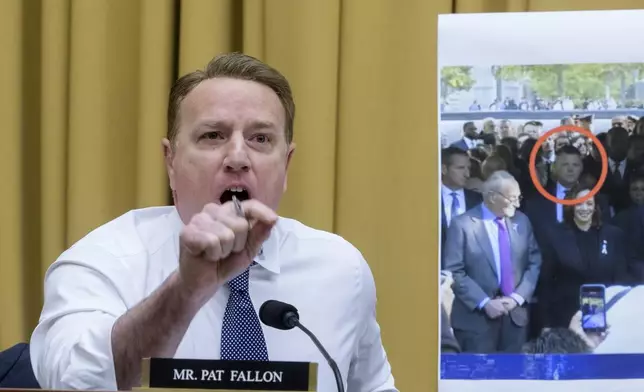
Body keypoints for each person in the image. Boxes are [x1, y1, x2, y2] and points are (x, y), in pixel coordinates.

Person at [29, 53, 397, 392]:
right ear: (170, 162)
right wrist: (184, 292)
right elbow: (72, 383)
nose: (237, 157)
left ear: (286, 164)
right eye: (212, 136)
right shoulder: (104, 262)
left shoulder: (341, 269)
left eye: (260, 138)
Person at [444, 170, 542, 353]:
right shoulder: (462, 225)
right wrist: (484, 302)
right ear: (491, 197)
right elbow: (454, 270)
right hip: (475, 322)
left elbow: (534, 262)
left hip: (514, 321)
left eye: (518, 197)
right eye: (512, 198)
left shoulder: (522, 221)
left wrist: (517, 298)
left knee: (513, 378)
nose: (518, 203)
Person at [538, 184, 631, 329]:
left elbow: (620, 279)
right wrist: (545, 324)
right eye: (579, 203)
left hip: (606, 316)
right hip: (565, 318)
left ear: (595, 207)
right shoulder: (554, 235)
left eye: (589, 203)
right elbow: (546, 283)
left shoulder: (613, 235)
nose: (584, 208)